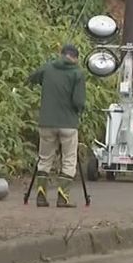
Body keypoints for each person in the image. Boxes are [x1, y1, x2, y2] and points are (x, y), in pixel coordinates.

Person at [28, 44, 87, 207]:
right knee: (68, 160)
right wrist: (80, 110)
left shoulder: (48, 68)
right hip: (68, 123)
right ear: (75, 58)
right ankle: (63, 198)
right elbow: (78, 101)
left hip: (46, 122)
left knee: (45, 159)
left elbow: (32, 77)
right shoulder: (77, 73)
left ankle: (41, 195)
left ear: (61, 55)